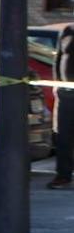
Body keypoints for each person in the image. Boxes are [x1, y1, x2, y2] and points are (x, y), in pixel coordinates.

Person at [51, 22, 73, 190]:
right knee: (62, 135)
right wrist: (56, 83)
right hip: (66, 93)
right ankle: (63, 175)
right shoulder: (68, 30)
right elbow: (58, 58)